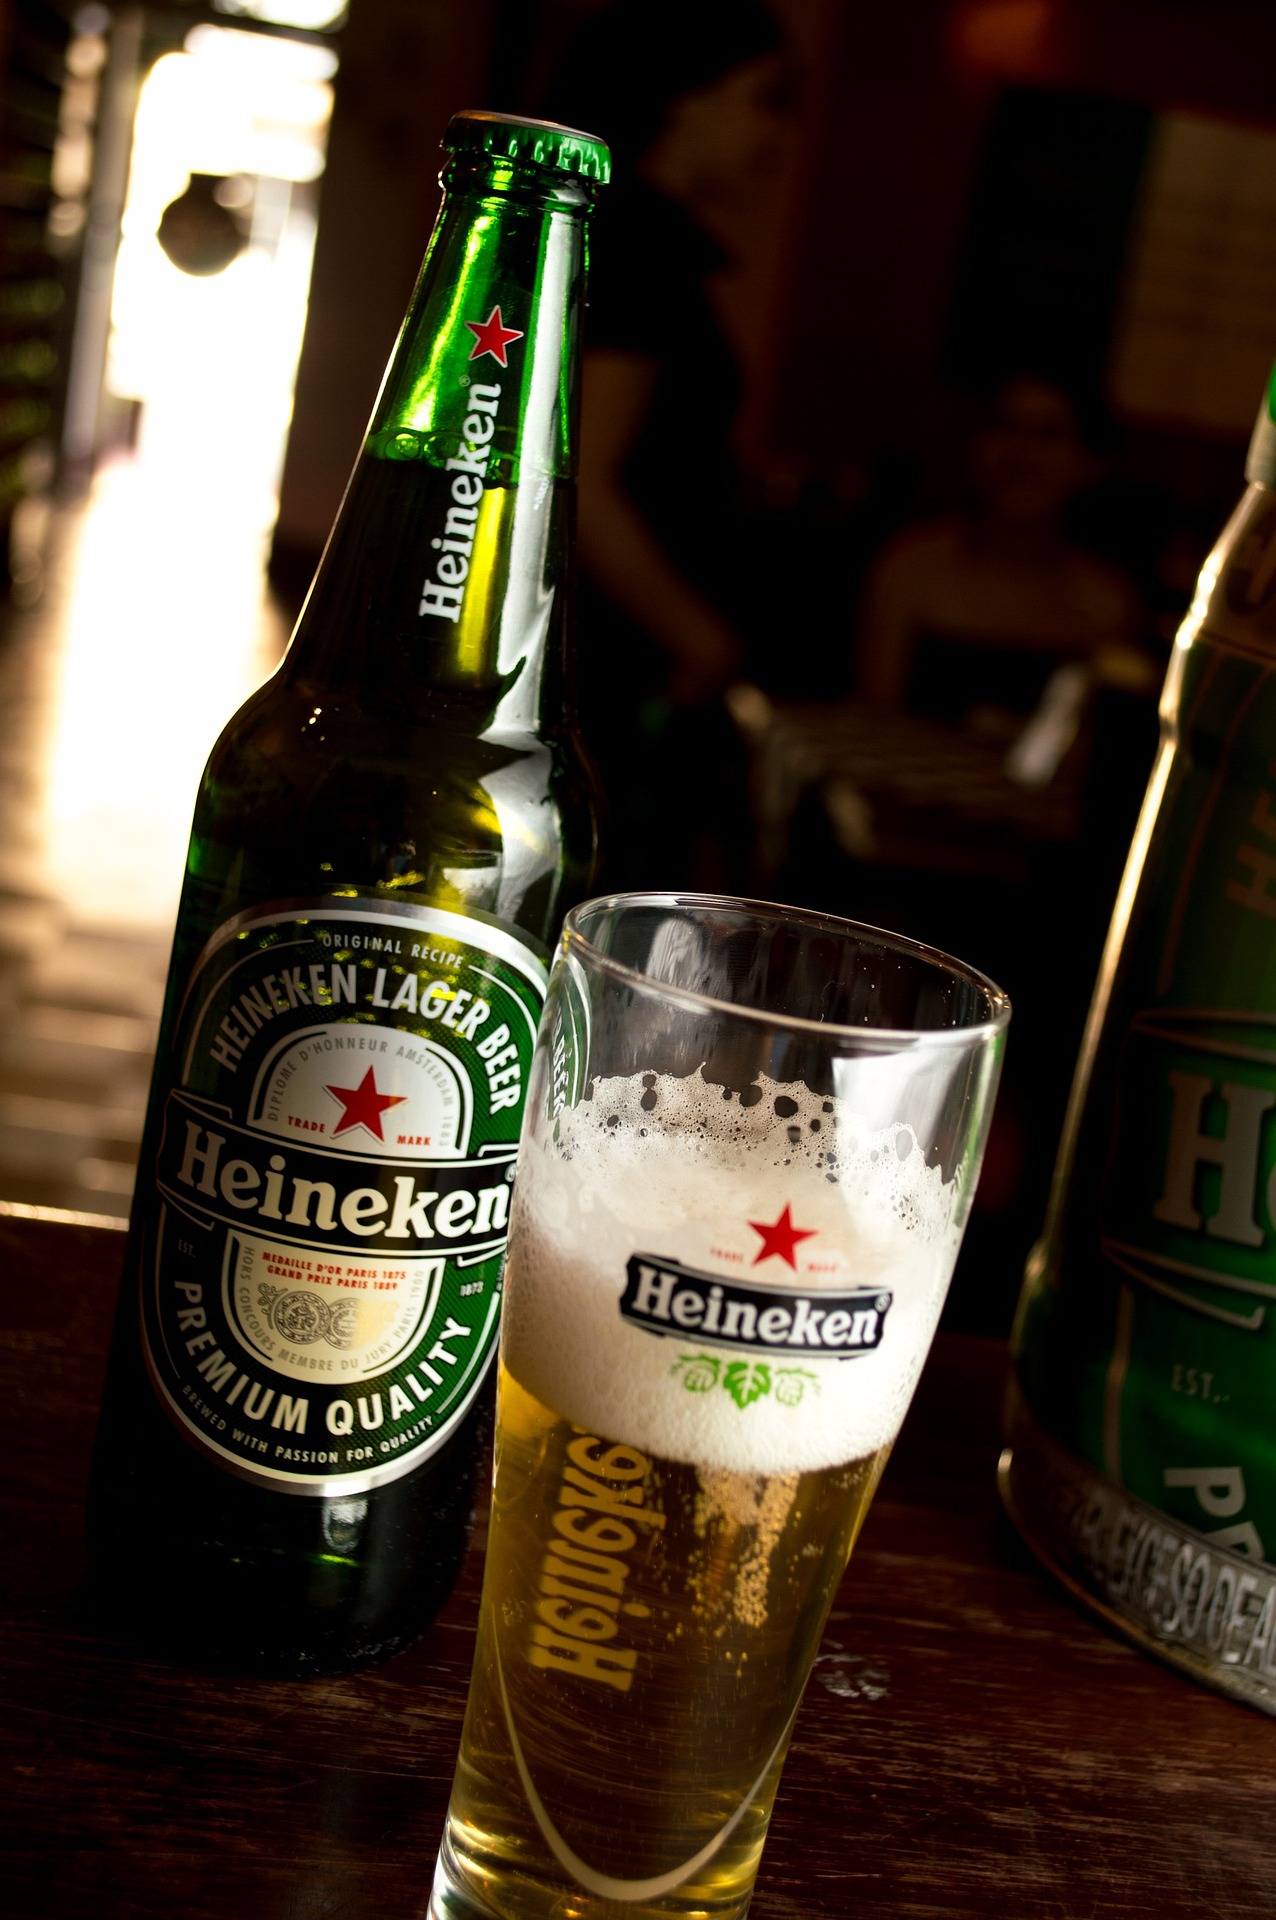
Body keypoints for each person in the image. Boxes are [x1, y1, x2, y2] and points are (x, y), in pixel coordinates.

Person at [543, 0, 792, 889]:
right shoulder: (641, 248)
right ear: (686, 99)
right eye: (766, 98)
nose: (778, 133)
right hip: (606, 667)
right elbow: (583, 485)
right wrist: (703, 642)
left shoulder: (634, 237)